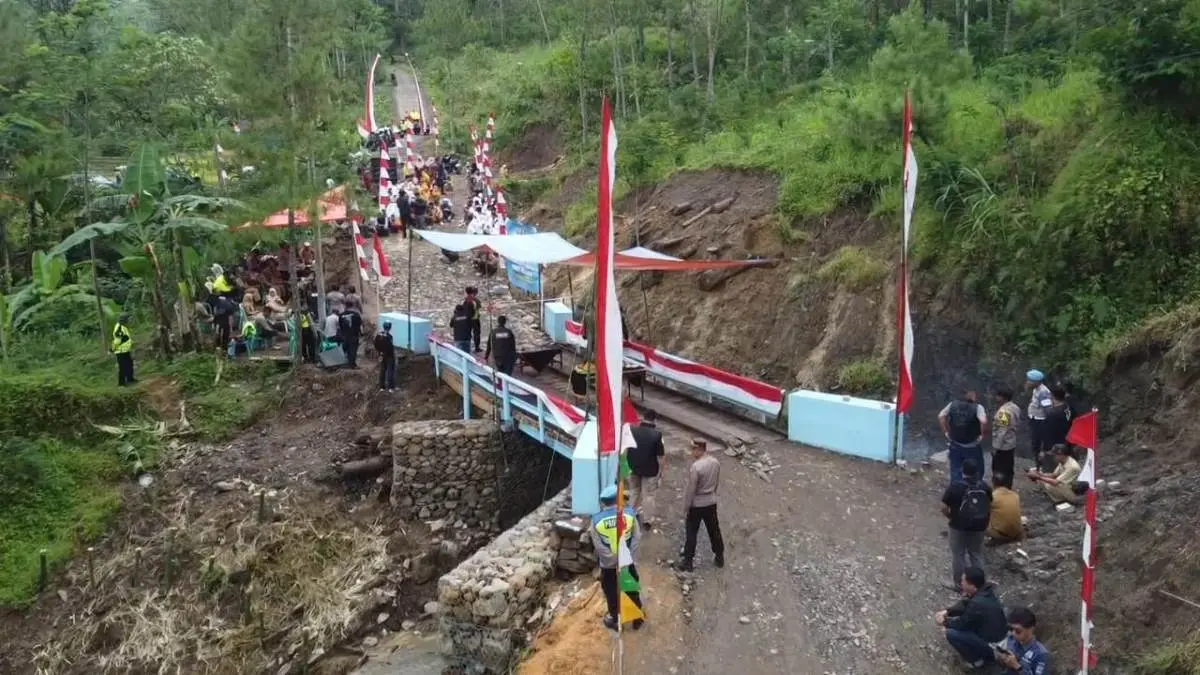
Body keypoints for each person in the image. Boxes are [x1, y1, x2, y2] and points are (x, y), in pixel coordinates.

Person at [589, 484, 644, 631]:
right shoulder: (630, 514)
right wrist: (627, 556)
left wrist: (611, 559)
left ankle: (615, 617)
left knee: (611, 590)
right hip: (627, 561)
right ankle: (637, 617)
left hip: (608, 565)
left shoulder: (596, 520)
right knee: (631, 586)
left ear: (603, 502)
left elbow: (598, 545)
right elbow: (637, 537)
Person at [934, 566, 1009, 669]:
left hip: (993, 646)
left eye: (963, 581)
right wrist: (948, 611)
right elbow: (966, 603)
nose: (961, 582)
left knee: (951, 633)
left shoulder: (977, 603)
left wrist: (945, 622)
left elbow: (961, 624)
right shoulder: (986, 591)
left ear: (972, 585)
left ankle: (977, 661)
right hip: (996, 635)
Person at [941, 458, 991, 589]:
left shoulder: (956, 486)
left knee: (958, 554)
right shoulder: (985, 487)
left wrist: (950, 516)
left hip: (958, 526)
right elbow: (989, 505)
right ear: (977, 472)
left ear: (963, 471)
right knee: (976, 553)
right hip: (979, 526)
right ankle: (980, 584)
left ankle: (959, 584)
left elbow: (944, 506)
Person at [676, 439, 725, 571]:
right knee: (714, 530)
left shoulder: (696, 467)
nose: (692, 452)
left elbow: (691, 489)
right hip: (711, 502)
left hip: (697, 504)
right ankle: (719, 556)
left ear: (699, 449)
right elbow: (716, 482)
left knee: (691, 532)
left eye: (693, 449)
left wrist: (686, 507)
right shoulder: (715, 462)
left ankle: (688, 561)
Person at [938, 390, 989, 485]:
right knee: (975, 469)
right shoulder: (978, 407)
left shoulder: (952, 404)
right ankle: (974, 489)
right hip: (972, 445)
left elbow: (941, 416)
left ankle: (956, 490)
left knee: (955, 469)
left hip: (955, 443)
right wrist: (982, 435)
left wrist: (945, 432)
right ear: (972, 396)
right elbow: (983, 421)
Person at [627, 409, 666, 530]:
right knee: (648, 495)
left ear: (643, 417)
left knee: (634, 492)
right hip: (650, 471)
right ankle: (647, 521)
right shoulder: (657, 435)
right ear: (654, 420)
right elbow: (661, 457)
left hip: (633, 467)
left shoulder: (632, 430)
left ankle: (629, 516)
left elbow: (627, 449)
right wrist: (661, 473)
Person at [998, 606, 1051, 674]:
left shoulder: (1041, 655)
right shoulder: (1011, 640)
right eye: (1011, 629)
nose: (1013, 633)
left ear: (1031, 629)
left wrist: (1017, 667)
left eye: (1018, 631)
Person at [1025, 370, 1053, 469]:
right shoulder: (1036, 389)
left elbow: (1048, 409)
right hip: (1034, 419)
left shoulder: (1043, 392)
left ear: (1036, 382)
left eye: (1030, 380)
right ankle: (1038, 466)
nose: (1027, 382)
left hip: (1040, 422)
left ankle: (1041, 467)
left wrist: (1047, 424)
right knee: (1034, 444)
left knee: (1038, 444)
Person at [992, 388, 1021, 481]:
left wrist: (996, 448)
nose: (996, 398)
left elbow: (1002, 431)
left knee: (999, 469)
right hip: (1011, 442)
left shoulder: (1004, 412)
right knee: (1008, 468)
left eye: (998, 396)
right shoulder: (1015, 407)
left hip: (1003, 446)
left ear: (1003, 397)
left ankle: (1000, 488)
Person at [986, 473, 1023, 544]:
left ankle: (997, 536)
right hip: (1016, 532)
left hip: (1001, 534)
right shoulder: (1015, 495)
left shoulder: (993, 496)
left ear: (993, 483)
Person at [112, 313, 135, 386]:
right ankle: (121, 383)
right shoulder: (119, 328)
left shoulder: (123, 327)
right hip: (120, 351)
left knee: (129, 364)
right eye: (128, 319)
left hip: (125, 350)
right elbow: (117, 341)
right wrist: (112, 349)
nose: (129, 321)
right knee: (123, 367)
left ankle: (130, 379)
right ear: (124, 320)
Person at [374, 321, 397, 392]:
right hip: (389, 356)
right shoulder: (389, 336)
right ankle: (390, 387)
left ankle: (382, 387)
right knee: (390, 370)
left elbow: (375, 344)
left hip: (381, 355)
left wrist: (380, 352)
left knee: (382, 370)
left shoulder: (378, 335)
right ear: (390, 327)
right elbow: (390, 347)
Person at [339, 304, 363, 368]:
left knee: (348, 349)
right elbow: (360, 324)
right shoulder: (356, 315)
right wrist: (360, 333)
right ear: (352, 307)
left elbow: (340, 325)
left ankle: (347, 363)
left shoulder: (341, 315)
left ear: (346, 306)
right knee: (353, 350)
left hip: (345, 335)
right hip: (354, 335)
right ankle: (352, 365)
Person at [464, 287, 483, 352]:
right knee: (476, 333)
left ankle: (467, 347)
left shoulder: (465, 299)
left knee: (468, 333)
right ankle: (477, 347)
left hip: (467, 319)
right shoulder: (476, 300)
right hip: (475, 319)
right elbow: (479, 307)